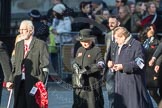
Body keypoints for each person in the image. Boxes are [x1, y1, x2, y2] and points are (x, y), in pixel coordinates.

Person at [6, 20, 49, 108]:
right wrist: (10, 80)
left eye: (23, 29)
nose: (21, 32)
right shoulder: (19, 45)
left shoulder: (41, 44)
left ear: (31, 30)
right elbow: (15, 65)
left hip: (34, 82)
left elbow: (44, 65)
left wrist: (40, 83)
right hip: (19, 82)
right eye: (20, 30)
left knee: (32, 105)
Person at [112, 27, 153, 108]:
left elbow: (140, 63)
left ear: (123, 36)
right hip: (120, 85)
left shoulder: (137, 45)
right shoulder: (119, 46)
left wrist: (123, 66)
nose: (115, 41)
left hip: (133, 86)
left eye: (116, 38)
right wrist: (114, 65)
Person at [71, 29, 104, 108]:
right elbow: (75, 61)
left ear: (91, 40)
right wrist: (74, 66)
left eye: (87, 41)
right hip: (79, 84)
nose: (85, 43)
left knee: (92, 104)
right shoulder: (79, 49)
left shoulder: (96, 50)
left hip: (92, 84)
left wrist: (87, 69)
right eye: (82, 41)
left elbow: (101, 64)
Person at [142, 24, 161, 104]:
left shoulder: (158, 42)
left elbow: (160, 54)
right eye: (150, 29)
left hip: (156, 70)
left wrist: (156, 63)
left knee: (153, 92)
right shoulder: (144, 41)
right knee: (151, 92)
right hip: (146, 70)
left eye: (153, 28)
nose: (152, 30)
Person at [104, 15, 120, 108]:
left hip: (120, 68)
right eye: (109, 23)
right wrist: (107, 64)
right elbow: (107, 51)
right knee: (111, 95)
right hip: (110, 69)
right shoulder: (108, 35)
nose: (110, 25)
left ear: (118, 23)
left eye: (113, 23)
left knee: (122, 94)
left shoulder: (125, 34)